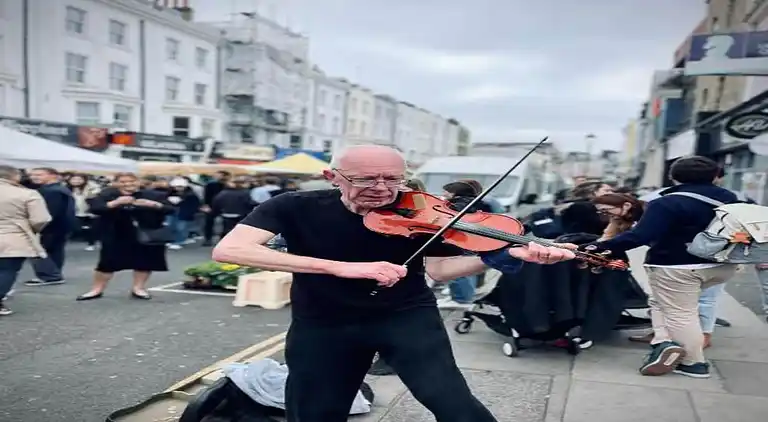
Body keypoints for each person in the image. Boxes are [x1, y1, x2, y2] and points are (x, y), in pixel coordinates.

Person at [213, 145, 575, 421]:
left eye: (392, 179)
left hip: (405, 315)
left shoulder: (421, 210)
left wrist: (502, 256)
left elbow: (440, 271)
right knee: (315, 412)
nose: (382, 189)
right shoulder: (294, 206)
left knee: (453, 403)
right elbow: (230, 250)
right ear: (332, 176)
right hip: (323, 322)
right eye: (366, 180)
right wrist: (340, 268)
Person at [586, 156, 738, 379]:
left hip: (679, 265)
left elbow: (641, 235)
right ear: (715, 176)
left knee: (681, 314)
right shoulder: (730, 199)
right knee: (660, 302)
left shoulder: (667, 202)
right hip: (722, 264)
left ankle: (693, 363)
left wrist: (598, 247)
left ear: (672, 176)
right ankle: (663, 343)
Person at [77, 173, 174, 301]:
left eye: (132, 181)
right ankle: (96, 289)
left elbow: (171, 209)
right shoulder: (107, 194)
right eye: (123, 182)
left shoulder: (153, 194)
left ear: (138, 182)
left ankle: (138, 288)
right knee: (107, 263)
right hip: (116, 233)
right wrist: (115, 203)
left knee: (145, 262)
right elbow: (95, 208)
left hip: (146, 233)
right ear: (115, 183)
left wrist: (153, 205)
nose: (128, 184)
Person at [0, 165, 52, 315]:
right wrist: (31, 229)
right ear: (15, 177)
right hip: (13, 236)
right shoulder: (28, 194)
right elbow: (41, 218)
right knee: (7, 270)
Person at [24, 167, 76, 287]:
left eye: (39, 175)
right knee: (54, 251)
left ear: (53, 175)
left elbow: (49, 211)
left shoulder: (52, 191)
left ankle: (50, 275)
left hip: (51, 226)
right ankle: (54, 274)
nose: (34, 177)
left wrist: (37, 224)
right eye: (32, 175)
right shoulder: (59, 189)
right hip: (60, 226)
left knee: (40, 251)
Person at [67, 173, 101, 251]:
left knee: (91, 229)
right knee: (77, 227)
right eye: (74, 179)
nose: (76, 181)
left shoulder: (91, 188)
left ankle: (91, 243)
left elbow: (95, 197)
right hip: (75, 211)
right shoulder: (67, 188)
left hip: (89, 211)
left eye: (79, 179)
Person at [202, 171, 230, 246]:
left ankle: (223, 238)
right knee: (209, 222)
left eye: (219, 175)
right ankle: (208, 239)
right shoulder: (210, 185)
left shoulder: (228, 185)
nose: (216, 177)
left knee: (226, 223)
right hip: (212, 205)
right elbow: (206, 196)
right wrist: (206, 205)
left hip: (225, 206)